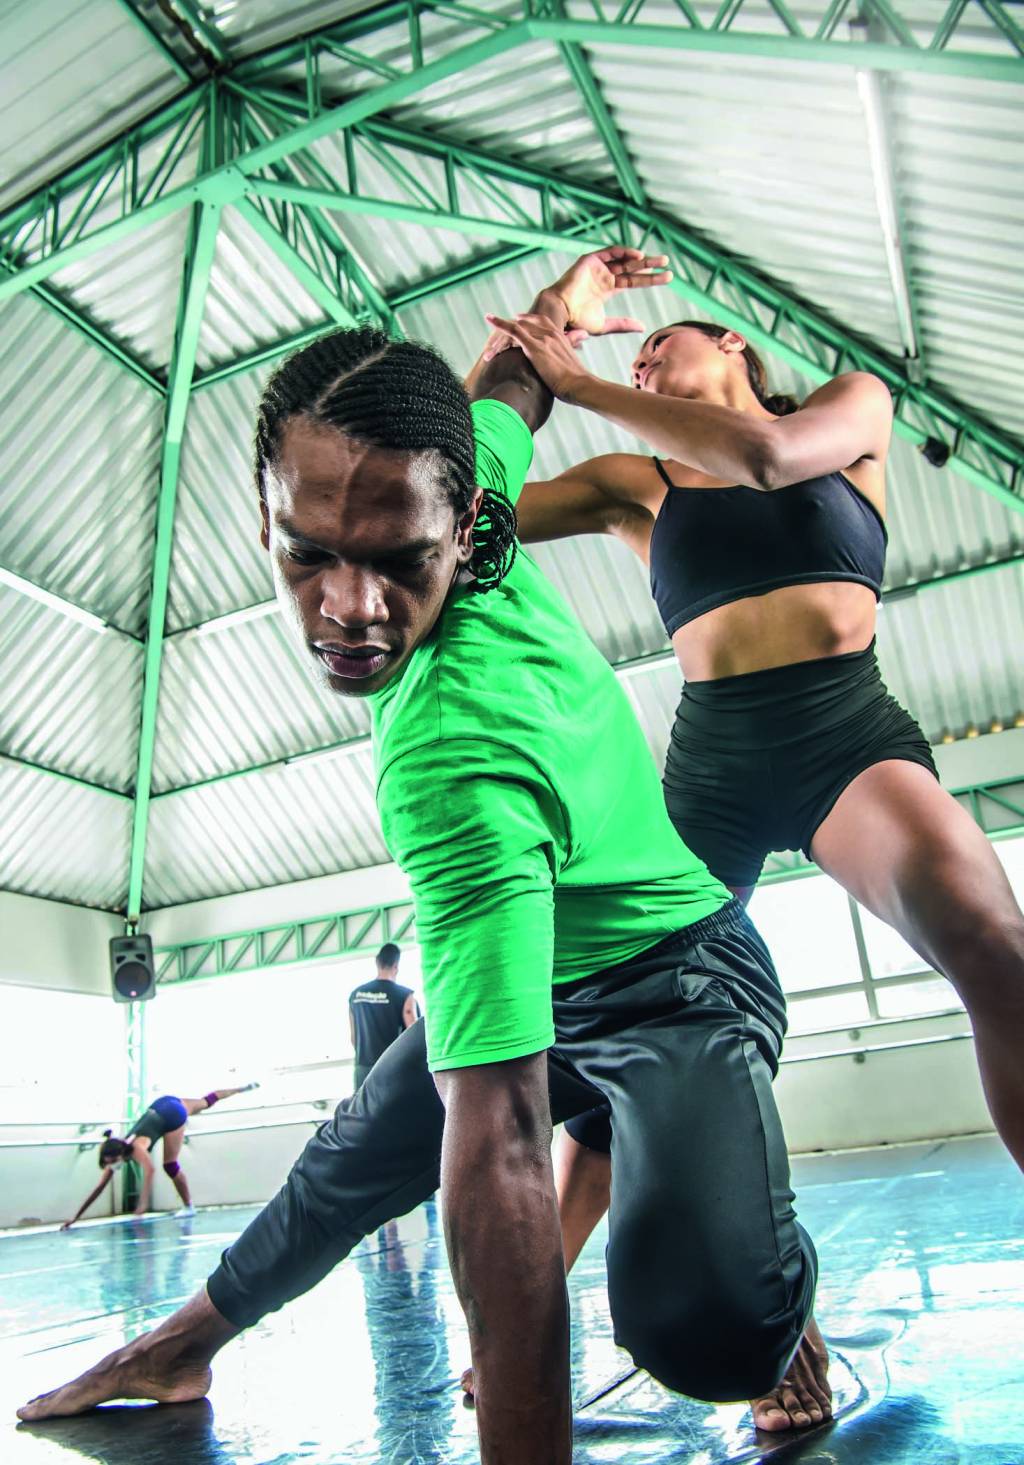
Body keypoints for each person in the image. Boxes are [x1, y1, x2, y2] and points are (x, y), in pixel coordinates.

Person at [19, 252, 826, 1460]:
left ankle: (778, 1305)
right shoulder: (451, 470)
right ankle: (177, 1344)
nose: (350, 607)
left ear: (464, 527)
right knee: (350, 1156)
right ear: (265, 514)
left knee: (710, 1330)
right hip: (544, 965)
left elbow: (500, 1141)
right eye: (307, 551)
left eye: (401, 561)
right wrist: (564, 310)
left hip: (678, 978)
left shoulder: (453, 761)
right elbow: (506, 387)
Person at [480, 286, 1024, 1186]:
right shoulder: (635, 486)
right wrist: (537, 338)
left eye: (658, 344)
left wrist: (579, 384)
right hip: (713, 764)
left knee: (996, 949)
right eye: (631, 361)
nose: (641, 363)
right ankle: (548, 1321)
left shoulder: (849, 409)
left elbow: (768, 459)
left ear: (732, 341)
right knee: (636, 1044)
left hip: (845, 736)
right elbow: (466, 496)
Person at [61, 1086, 258, 1228]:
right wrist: (75, 1218)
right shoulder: (118, 1150)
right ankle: (241, 1088)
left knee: (169, 1165)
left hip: (172, 1116)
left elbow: (150, 1171)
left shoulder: (137, 1147)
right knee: (206, 1102)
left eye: (112, 1163)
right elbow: (99, 1188)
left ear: (119, 1154)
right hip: (164, 1103)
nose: (111, 1167)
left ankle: (189, 1206)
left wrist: (142, 1205)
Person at [349, 942, 418, 1088]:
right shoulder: (404, 995)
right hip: (392, 1067)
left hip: (363, 1068)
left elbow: (354, 1038)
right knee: (395, 1111)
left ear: (377, 962)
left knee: (364, 1111)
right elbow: (414, 1035)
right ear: (396, 966)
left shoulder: (355, 995)